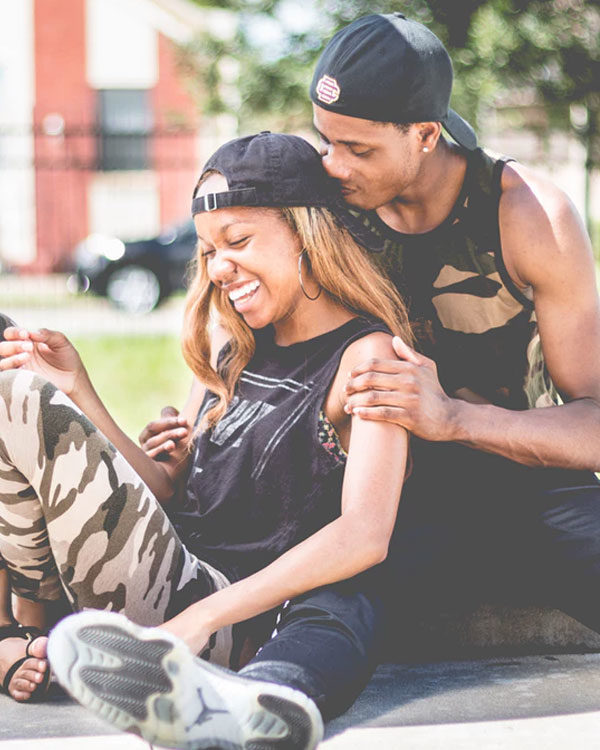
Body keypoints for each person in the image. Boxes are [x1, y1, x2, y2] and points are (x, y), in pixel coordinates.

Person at [0, 132, 411, 749]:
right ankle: (23, 630)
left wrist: (199, 620)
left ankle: (27, 638)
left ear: (307, 233)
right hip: (169, 583)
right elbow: (166, 489)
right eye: (209, 251)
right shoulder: (233, 346)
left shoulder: (367, 358)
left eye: (238, 242)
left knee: (10, 396)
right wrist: (78, 389)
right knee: (17, 385)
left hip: (232, 618)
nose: (218, 269)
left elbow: (365, 534)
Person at [307, 13, 600, 636]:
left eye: (359, 149)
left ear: (425, 134)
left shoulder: (528, 214)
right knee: (322, 605)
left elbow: (595, 421)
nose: (333, 165)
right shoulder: (328, 211)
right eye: (326, 141)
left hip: (530, 479)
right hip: (390, 491)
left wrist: (453, 419)